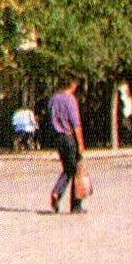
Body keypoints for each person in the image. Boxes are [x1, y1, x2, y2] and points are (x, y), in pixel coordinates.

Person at [46, 79, 86, 214]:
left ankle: (61, 196)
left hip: (58, 138)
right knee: (74, 170)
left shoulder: (53, 100)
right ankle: (72, 203)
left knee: (68, 168)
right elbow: (76, 123)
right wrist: (80, 143)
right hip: (69, 137)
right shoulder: (70, 100)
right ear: (73, 84)